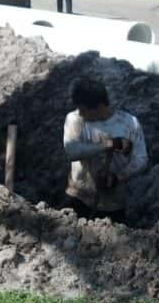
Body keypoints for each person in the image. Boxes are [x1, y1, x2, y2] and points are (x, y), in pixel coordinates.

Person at [63, 77, 148, 222]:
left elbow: (141, 159)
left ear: (100, 106)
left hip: (114, 203)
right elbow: (71, 151)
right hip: (78, 196)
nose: (81, 113)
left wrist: (118, 177)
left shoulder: (128, 123)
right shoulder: (74, 119)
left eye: (84, 109)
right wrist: (107, 144)